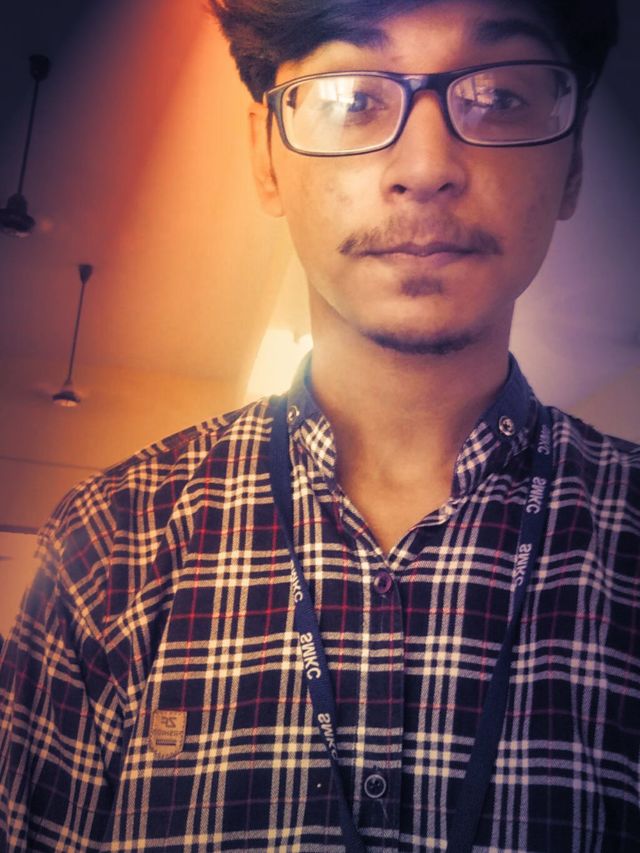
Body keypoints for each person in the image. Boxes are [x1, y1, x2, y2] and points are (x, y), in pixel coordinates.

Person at [1, 0, 638, 850]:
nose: (426, 166)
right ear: (267, 154)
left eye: (499, 95)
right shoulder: (109, 545)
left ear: (572, 161)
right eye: (352, 98)